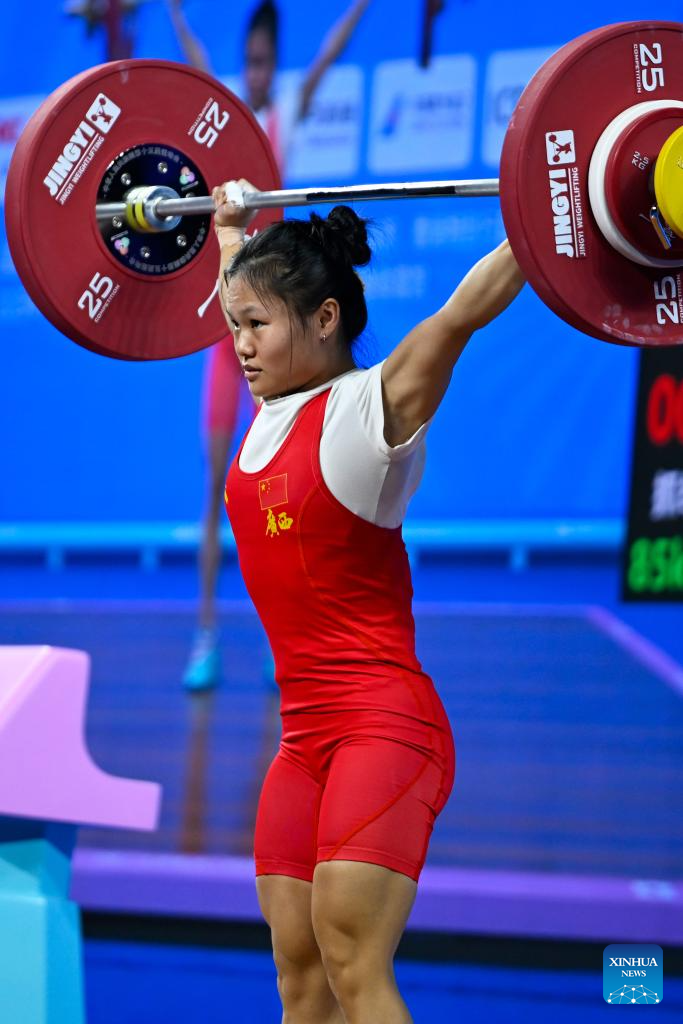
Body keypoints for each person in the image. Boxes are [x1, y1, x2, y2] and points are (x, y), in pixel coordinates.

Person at [211, 178, 525, 1024]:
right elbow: (243, 289)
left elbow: (460, 315)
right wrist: (230, 228)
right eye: (234, 326)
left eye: (257, 325)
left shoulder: (370, 409)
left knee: (352, 958)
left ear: (325, 319)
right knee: (299, 974)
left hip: (384, 728)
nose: (241, 344)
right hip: (302, 740)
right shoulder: (270, 408)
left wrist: (548, 219)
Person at [168, 0, 372, 688]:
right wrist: (172, 12)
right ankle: (204, 636)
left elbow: (329, 54)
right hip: (224, 340)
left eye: (263, 63)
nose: (255, 73)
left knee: (282, 493)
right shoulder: (223, 117)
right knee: (217, 492)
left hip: (274, 333)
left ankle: (283, 638)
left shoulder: (287, 109)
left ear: (273, 64)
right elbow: (193, 61)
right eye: (248, 63)